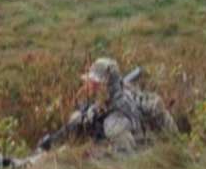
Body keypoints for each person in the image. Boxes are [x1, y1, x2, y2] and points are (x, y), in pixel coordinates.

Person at [41, 58, 178, 154]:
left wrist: (92, 155)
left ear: (103, 86)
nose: (87, 86)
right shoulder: (116, 96)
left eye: (93, 83)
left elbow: (127, 162)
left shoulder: (115, 121)